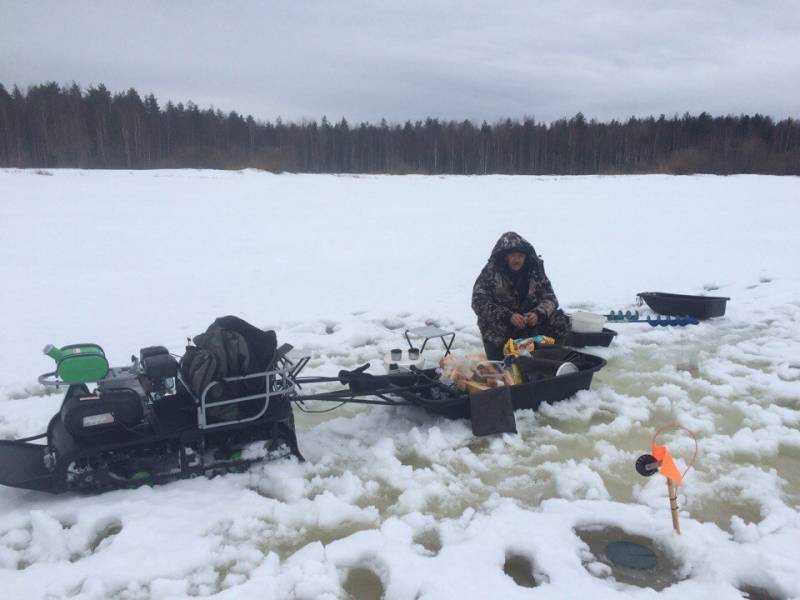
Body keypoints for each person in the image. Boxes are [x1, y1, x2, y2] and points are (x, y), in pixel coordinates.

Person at [471, 231, 569, 360]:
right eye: (513, 255)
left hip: (528, 324)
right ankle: (503, 362)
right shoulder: (491, 272)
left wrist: (537, 314)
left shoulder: (535, 271)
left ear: (525, 256)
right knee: (494, 332)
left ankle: (548, 358)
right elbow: (478, 302)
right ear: (506, 256)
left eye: (520, 256)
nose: (517, 260)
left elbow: (550, 298)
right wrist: (508, 316)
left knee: (560, 320)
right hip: (504, 325)